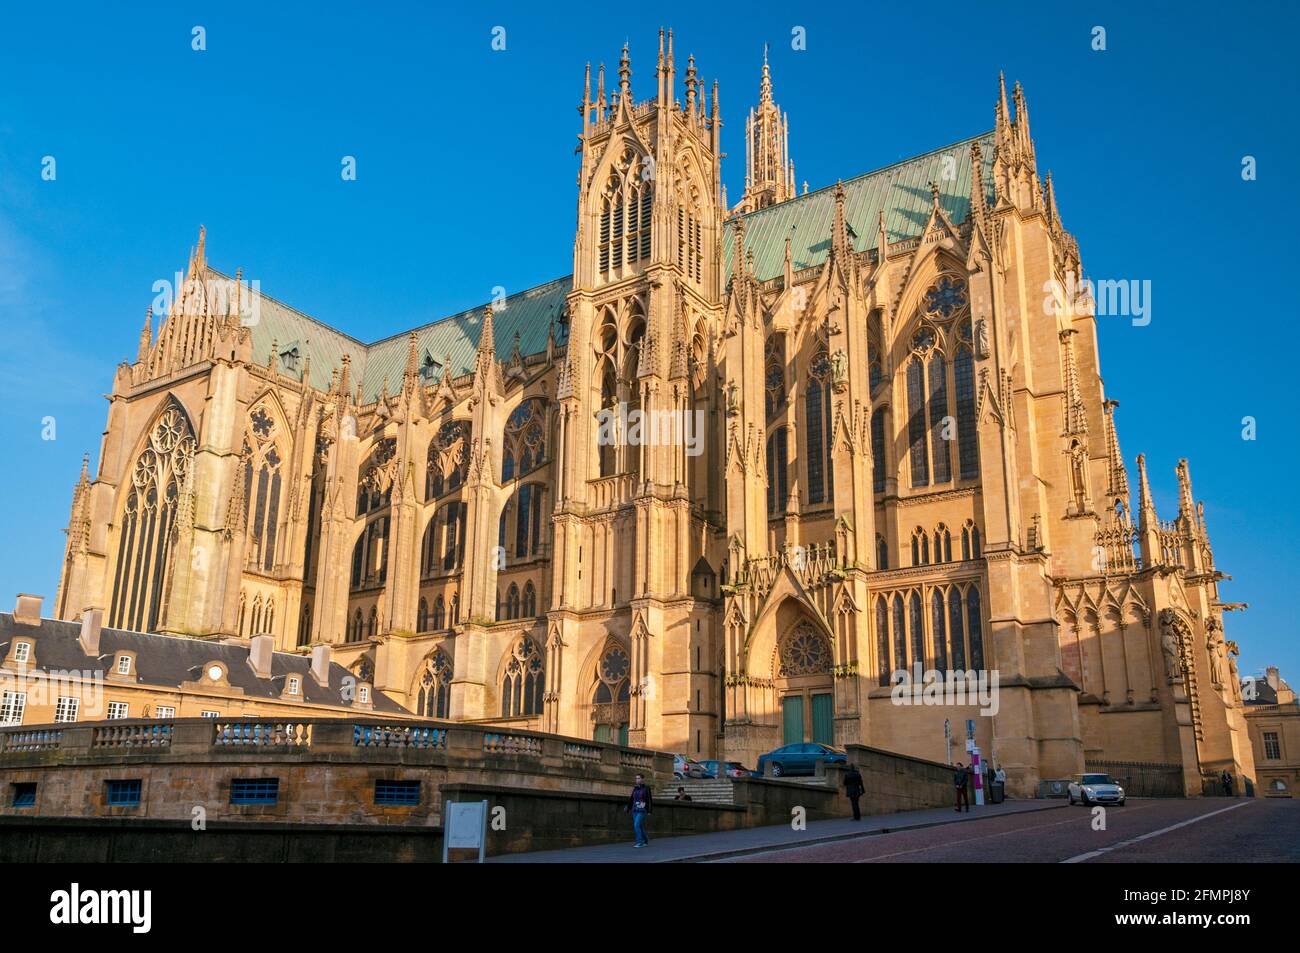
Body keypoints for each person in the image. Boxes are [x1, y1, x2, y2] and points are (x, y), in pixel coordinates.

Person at [628, 773, 653, 847]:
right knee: (639, 826)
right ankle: (645, 840)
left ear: (642, 779)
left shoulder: (646, 788)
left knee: (636, 825)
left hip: (642, 809)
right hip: (635, 809)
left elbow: (649, 799)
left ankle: (639, 842)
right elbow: (632, 799)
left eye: (638, 778)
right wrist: (629, 808)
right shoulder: (635, 788)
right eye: (636, 778)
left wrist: (649, 810)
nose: (637, 780)